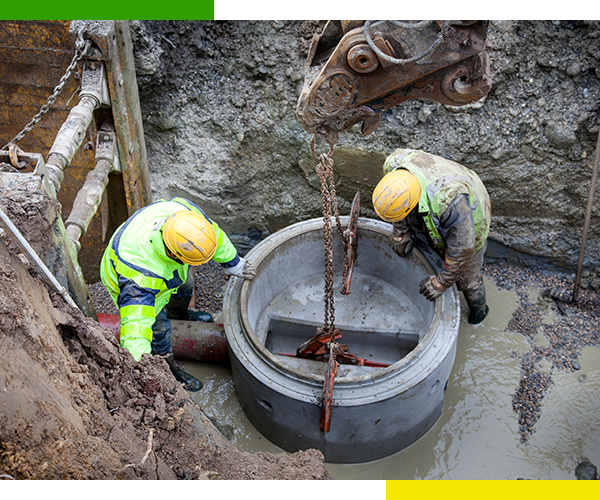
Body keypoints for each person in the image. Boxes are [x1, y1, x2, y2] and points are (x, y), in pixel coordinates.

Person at [100, 197, 256, 390]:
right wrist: (140, 371)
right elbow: (136, 331)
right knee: (159, 330)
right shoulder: (140, 283)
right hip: (125, 273)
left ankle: (178, 314)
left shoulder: (186, 216)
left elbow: (213, 235)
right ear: (174, 255)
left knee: (185, 284)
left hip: (158, 261)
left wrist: (233, 263)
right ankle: (169, 369)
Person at [372, 148, 492, 325]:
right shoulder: (394, 166)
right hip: (435, 199)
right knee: (435, 241)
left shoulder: (449, 201)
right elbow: (396, 202)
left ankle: (479, 315)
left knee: (468, 281)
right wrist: (400, 231)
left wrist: (441, 282)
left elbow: (463, 249)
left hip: (471, 220)